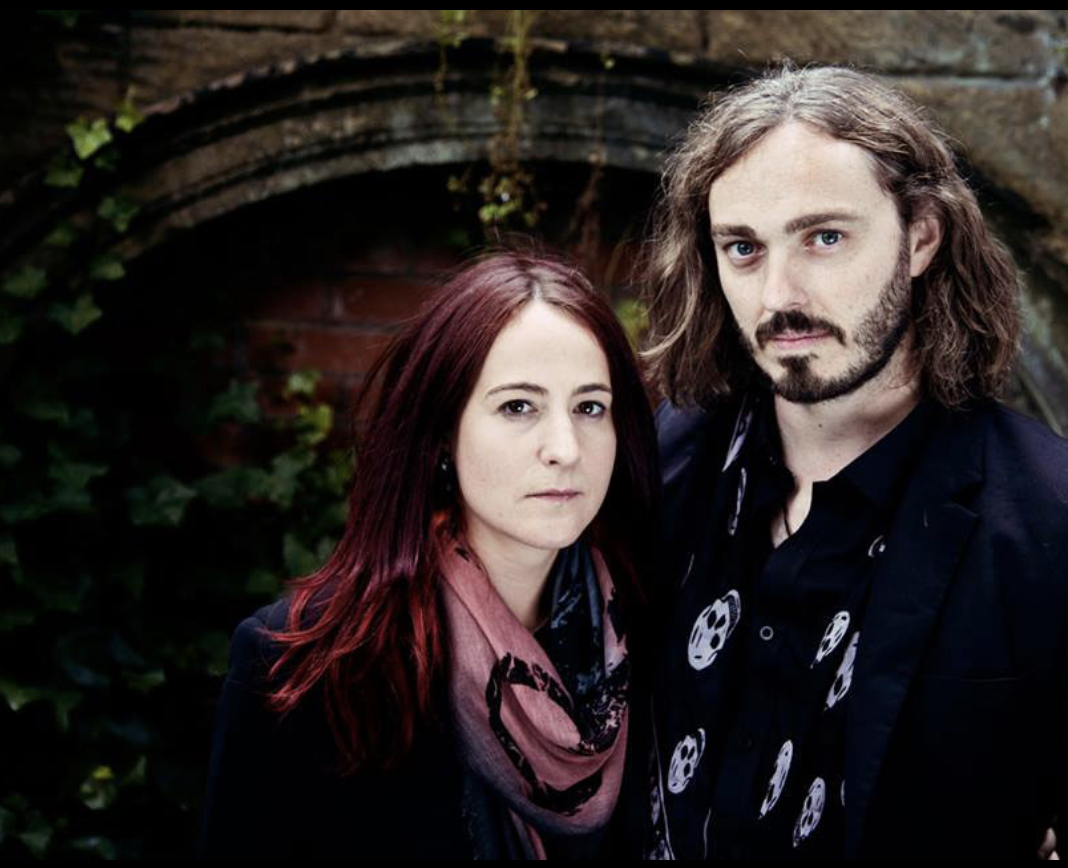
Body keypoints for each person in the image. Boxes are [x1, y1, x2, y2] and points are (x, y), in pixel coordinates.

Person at [623, 61, 1068, 859]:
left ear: (921, 237)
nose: (779, 296)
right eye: (743, 248)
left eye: (824, 238)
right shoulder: (663, 462)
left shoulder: (1047, 516)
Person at [196, 249, 661, 859]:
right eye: (518, 406)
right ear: (443, 434)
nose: (565, 447)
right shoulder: (312, 667)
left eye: (589, 407)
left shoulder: (656, 636)